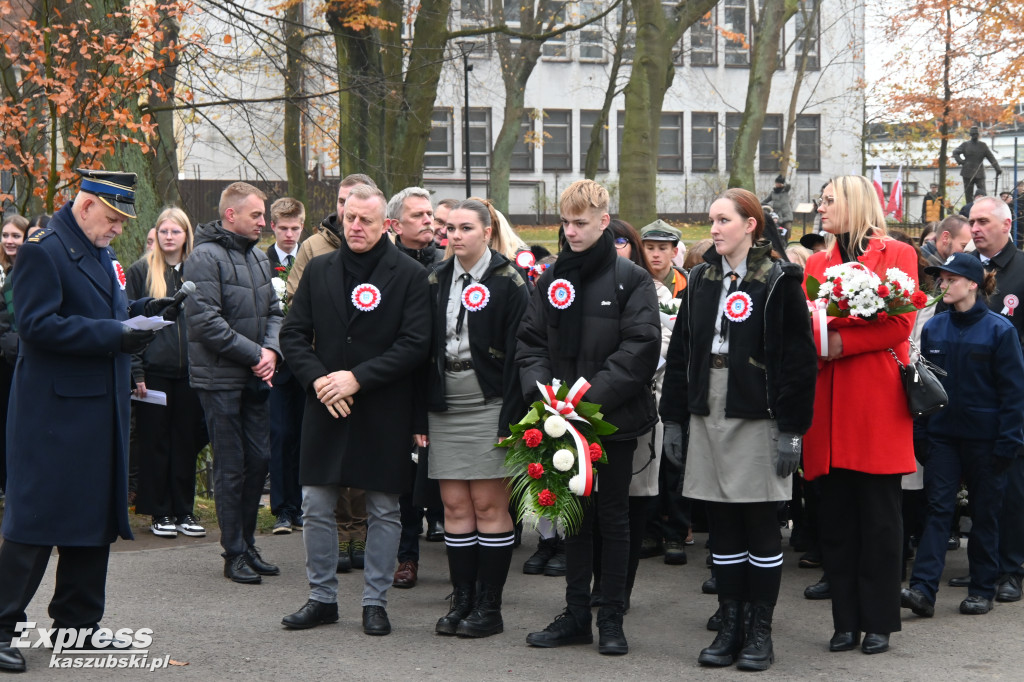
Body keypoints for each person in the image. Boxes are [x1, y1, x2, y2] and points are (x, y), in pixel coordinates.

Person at [0, 169, 176, 674]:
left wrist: (147, 310)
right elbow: (36, 325)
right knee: (36, 524)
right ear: (85, 206)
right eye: (113, 217)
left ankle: (77, 628)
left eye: (122, 220)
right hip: (54, 414)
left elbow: (105, 311)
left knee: (90, 522)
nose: (119, 228)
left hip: (97, 409)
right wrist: (117, 334)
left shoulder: (98, 251)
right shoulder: (42, 250)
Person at [661, 189, 816, 670]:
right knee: (722, 526)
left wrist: (793, 428)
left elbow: (798, 359)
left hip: (758, 413)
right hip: (709, 411)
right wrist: (674, 418)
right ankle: (728, 626)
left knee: (760, 524)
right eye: (711, 220)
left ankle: (759, 631)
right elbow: (683, 354)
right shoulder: (702, 279)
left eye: (723, 220)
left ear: (750, 225)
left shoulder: (779, 279)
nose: (713, 229)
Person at [279, 184, 430, 636]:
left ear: (386, 224)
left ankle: (374, 602)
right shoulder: (320, 269)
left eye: (366, 220)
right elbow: (292, 334)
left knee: (383, 508)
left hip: (382, 406)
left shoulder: (409, 274)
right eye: (350, 219)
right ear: (341, 219)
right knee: (316, 502)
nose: (356, 226)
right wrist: (321, 379)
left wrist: (358, 377)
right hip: (326, 402)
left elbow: (415, 344)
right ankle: (322, 598)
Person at [518, 179, 660, 656]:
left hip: (609, 422)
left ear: (604, 222)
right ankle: (576, 614)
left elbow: (640, 348)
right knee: (573, 517)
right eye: (565, 223)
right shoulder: (550, 276)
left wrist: (586, 402)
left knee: (614, 519)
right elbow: (531, 342)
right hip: (559, 419)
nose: (571, 232)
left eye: (581, 223)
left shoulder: (631, 279)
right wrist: (547, 398)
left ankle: (612, 616)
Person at [802, 175, 920, 655]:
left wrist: (837, 344)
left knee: (879, 520)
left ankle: (878, 621)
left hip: (876, 405)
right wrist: (821, 344)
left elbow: (899, 325)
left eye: (828, 201)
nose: (820, 208)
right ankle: (845, 621)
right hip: (827, 406)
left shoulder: (897, 254)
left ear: (853, 203)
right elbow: (806, 324)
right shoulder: (815, 260)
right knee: (836, 519)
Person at [422, 198, 528, 638]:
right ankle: (462, 599)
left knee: (488, 505)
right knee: (454, 507)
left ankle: (490, 606)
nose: (455, 235)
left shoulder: (510, 281)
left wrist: (512, 415)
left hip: (490, 401)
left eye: (466, 227)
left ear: (487, 232)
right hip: (446, 402)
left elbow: (523, 354)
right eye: (449, 228)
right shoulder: (435, 278)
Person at [900, 253, 1024, 618]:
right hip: (943, 438)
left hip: (988, 441)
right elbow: (924, 383)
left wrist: (1009, 441)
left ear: (971, 283)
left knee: (986, 513)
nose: (941, 285)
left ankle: (982, 589)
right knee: (938, 510)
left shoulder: (1000, 330)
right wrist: (921, 431)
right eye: (940, 279)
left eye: (949, 279)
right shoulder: (935, 327)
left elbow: (1014, 393)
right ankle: (923, 590)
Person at [183, 182, 283, 585]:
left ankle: (248, 543)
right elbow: (205, 321)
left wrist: (272, 352)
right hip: (220, 380)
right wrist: (256, 354)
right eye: (257, 215)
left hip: (256, 377)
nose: (264, 222)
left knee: (259, 460)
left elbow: (276, 311)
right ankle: (234, 552)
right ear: (231, 215)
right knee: (231, 467)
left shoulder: (259, 257)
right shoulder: (204, 257)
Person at [286, 173, 376, 573]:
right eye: (342, 204)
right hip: (323, 375)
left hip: (365, 378)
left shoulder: (388, 261)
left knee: (363, 467)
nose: (348, 215)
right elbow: (294, 307)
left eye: (357, 208)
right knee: (326, 474)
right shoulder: (315, 251)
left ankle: (361, 532)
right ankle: (339, 538)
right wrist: (318, 375)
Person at [126, 207, 207, 539]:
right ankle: (160, 512)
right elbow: (129, 324)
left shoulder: (199, 271)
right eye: (164, 231)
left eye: (176, 231)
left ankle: (183, 510)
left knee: (185, 442)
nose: (169, 237)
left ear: (186, 235)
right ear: (156, 235)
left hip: (191, 372)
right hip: (154, 373)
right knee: (155, 441)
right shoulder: (140, 271)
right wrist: (137, 371)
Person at [964, 196, 1024, 603]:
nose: (975, 228)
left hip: (1010, 395)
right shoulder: (965, 268)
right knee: (979, 486)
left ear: (1006, 224)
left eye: (983, 221)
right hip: (969, 393)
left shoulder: (1021, 270)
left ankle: (1010, 567)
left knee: (1012, 486)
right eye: (971, 221)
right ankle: (983, 566)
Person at [266, 197, 305, 535]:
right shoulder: (261, 262)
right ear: (273, 227)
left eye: (295, 228)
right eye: (284, 228)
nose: (290, 234)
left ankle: (303, 505)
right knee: (279, 434)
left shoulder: (310, 260)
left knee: (305, 435)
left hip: (306, 359)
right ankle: (281, 508)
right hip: (276, 363)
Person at [0, 215, 28, 494]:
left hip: (20, 356)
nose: (9, 241)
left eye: (15, 236)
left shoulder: (27, 271)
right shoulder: (4, 271)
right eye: (5, 235)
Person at [388, 187, 442, 268]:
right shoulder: (384, 263)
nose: (427, 220)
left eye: (430, 214)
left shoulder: (449, 261)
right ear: (397, 226)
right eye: (417, 215)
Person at [640, 219, 687, 297]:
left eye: (662, 248)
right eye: (650, 248)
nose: (655, 254)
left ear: (674, 252)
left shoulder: (685, 283)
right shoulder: (633, 281)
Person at [953, 127, 1001, 201]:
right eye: (973, 134)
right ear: (971, 135)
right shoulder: (965, 145)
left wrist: (997, 168)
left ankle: (984, 208)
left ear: (978, 135)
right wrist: (961, 162)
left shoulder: (983, 145)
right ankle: (969, 209)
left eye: (976, 134)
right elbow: (955, 152)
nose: (975, 135)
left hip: (979, 172)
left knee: (983, 193)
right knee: (968, 194)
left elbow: (991, 158)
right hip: (967, 172)